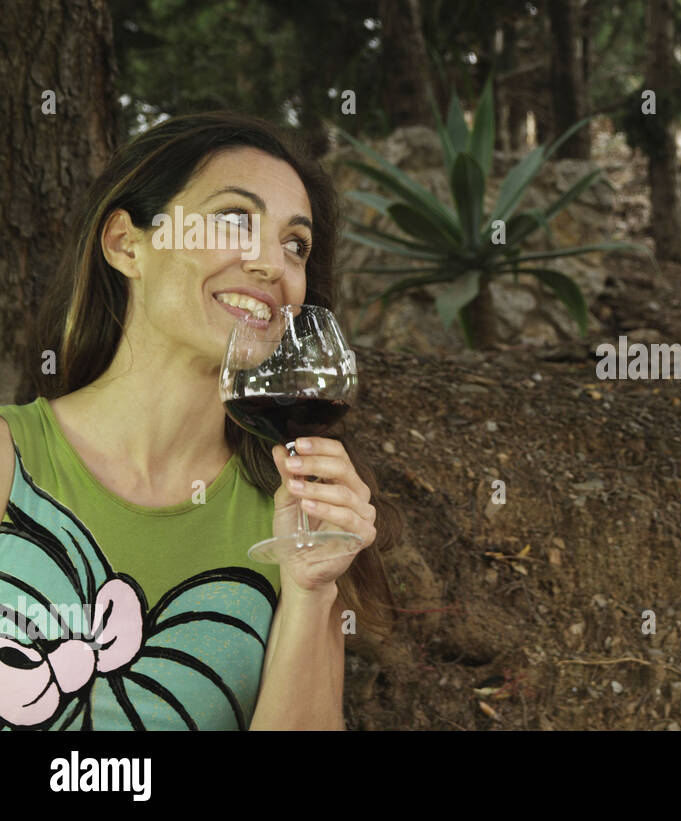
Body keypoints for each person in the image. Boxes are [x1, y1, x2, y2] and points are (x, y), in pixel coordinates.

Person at [0, 112, 401, 730]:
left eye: (296, 244)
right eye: (235, 220)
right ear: (126, 245)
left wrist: (311, 588)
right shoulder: (10, 459)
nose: (273, 264)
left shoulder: (289, 510)